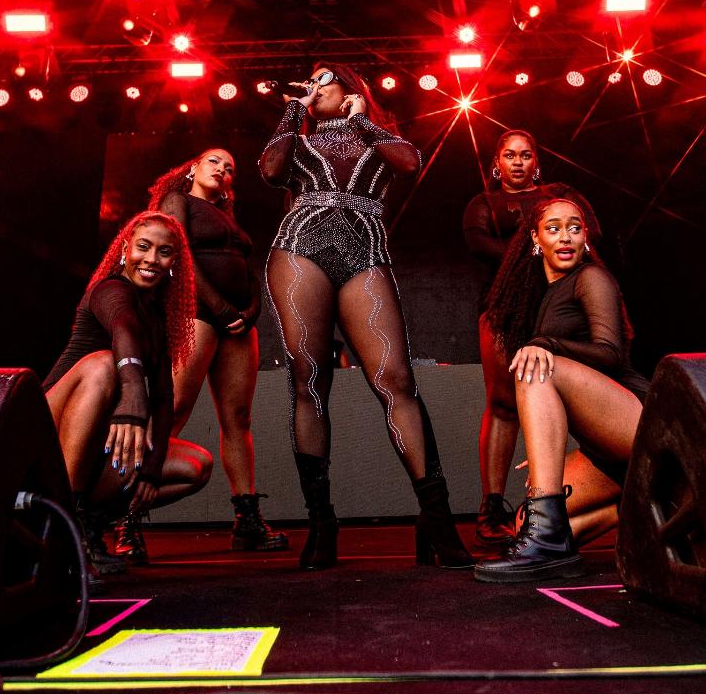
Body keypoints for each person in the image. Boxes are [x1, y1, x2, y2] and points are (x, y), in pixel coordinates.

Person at [260, 64, 472, 570]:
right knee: (309, 382)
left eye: (323, 79)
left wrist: (363, 121)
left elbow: (409, 163)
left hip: (365, 252)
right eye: (309, 81)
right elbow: (269, 171)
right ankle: (321, 523)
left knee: (395, 380)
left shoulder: (377, 136)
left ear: (353, 89)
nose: (314, 86)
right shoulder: (298, 137)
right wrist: (296, 107)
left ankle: (436, 518)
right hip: (299, 249)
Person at [473, 198, 648, 583]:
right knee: (524, 520)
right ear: (536, 239)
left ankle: (549, 544)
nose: (565, 237)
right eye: (553, 229)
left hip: (637, 419)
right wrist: (545, 447)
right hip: (603, 447)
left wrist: (547, 345)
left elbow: (611, 354)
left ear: (586, 237)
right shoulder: (544, 296)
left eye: (574, 227)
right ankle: (641, 508)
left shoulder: (591, 278)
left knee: (535, 367)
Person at [44, 211, 213, 574]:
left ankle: (90, 521)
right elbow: (122, 330)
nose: (152, 259)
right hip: (45, 430)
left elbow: (166, 396)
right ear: (125, 250)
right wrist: (134, 402)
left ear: (174, 263)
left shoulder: (158, 314)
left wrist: (151, 470)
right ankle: (63, 534)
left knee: (195, 466)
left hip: (94, 445)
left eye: (164, 252)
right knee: (104, 363)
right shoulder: (110, 290)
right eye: (143, 247)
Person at [462, 129, 600, 550]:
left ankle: (559, 499)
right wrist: (536, 249)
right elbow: (478, 243)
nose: (518, 162)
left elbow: (587, 230)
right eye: (509, 155)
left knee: (572, 399)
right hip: (504, 308)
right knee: (503, 405)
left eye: (526, 155)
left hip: (559, 306)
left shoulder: (559, 192)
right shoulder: (483, 203)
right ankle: (492, 507)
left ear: (535, 161)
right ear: (496, 163)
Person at [148, 147, 288, 554]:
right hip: (197, 314)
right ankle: (125, 513)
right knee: (172, 408)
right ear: (192, 167)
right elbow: (180, 259)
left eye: (230, 167)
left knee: (238, 418)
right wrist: (221, 308)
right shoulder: (179, 201)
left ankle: (246, 519)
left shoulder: (229, 218)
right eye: (214, 161)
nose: (223, 169)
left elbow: (247, 266)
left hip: (238, 326)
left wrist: (252, 308)